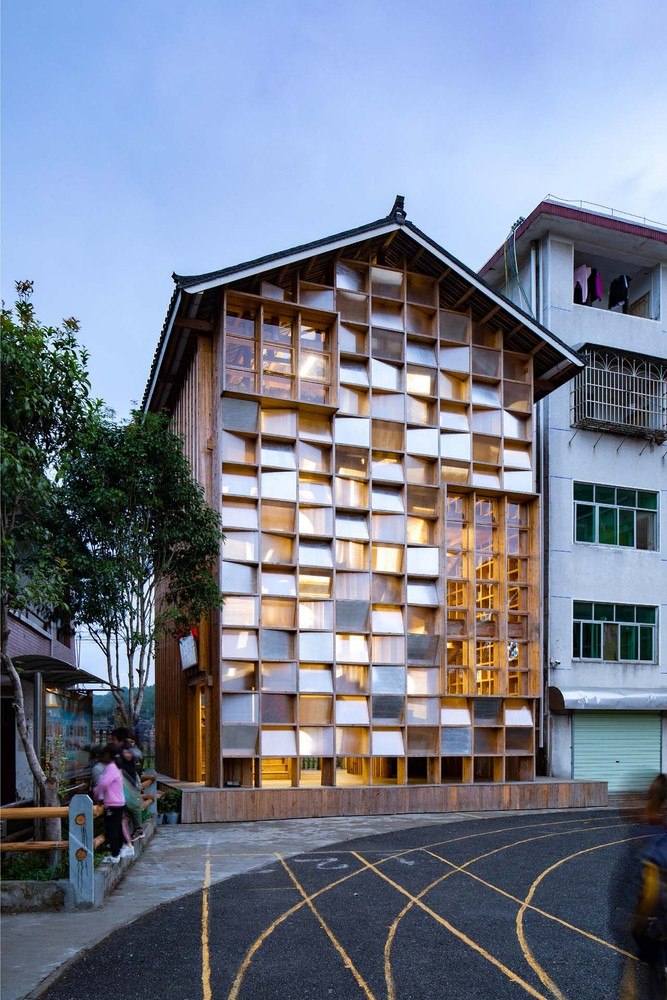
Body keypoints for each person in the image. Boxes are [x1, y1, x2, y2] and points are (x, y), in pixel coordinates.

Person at [94, 745, 134, 864]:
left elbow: (103, 784)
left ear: (108, 755)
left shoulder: (111, 767)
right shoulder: (117, 766)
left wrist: (97, 795)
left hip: (112, 803)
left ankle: (115, 854)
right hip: (118, 802)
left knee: (111, 829)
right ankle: (118, 851)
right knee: (116, 827)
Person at [109, 727, 145, 840]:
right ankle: (126, 837)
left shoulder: (127, 748)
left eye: (114, 739)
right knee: (126, 811)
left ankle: (138, 830)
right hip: (124, 784)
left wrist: (130, 753)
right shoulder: (121, 749)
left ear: (120, 740)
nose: (112, 742)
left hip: (128, 784)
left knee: (132, 806)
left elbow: (138, 755)